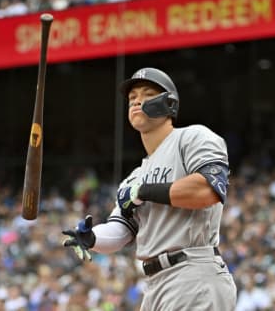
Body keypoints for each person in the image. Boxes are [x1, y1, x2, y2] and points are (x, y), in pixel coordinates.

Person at [62, 67, 237, 310]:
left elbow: (206, 191)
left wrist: (143, 192)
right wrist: (92, 238)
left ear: (169, 103)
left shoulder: (192, 137)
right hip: (154, 285)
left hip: (193, 273)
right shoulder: (134, 177)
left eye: (146, 94)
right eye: (132, 98)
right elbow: (122, 229)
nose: (136, 102)